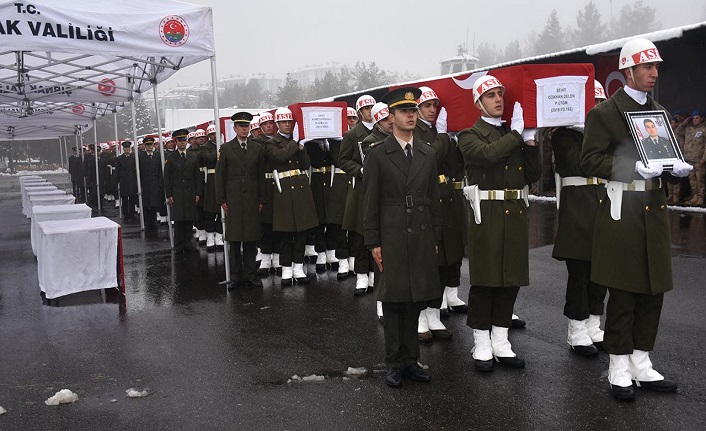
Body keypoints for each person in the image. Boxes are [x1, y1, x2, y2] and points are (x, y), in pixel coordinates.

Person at [580, 38, 692, 401]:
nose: (654, 73)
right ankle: (617, 365)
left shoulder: (658, 111)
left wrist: (677, 171)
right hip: (622, 212)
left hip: (653, 212)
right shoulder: (605, 113)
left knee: (652, 291)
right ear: (628, 70)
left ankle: (641, 362)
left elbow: (663, 161)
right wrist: (631, 167)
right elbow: (590, 160)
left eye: (656, 67)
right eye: (647, 67)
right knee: (625, 292)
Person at [457, 75, 541, 373]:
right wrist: (517, 135)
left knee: (510, 278)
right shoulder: (469, 135)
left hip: (514, 210)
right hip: (488, 213)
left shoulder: (513, 133)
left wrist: (530, 141)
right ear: (478, 102)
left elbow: (533, 173)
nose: (497, 99)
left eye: (500, 94)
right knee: (485, 280)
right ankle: (481, 341)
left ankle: (501, 340)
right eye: (490, 95)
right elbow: (488, 155)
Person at [363, 86, 442, 388]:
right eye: (404, 111)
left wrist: (434, 235)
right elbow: (369, 201)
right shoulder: (379, 154)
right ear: (391, 117)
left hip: (420, 232)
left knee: (414, 299)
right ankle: (394, 362)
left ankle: (411, 360)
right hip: (392, 231)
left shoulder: (427, 151)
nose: (411, 115)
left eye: (413, 110)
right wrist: (373, 242)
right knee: (394, 300)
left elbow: (433, 198)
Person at [550, 80, 609, 357]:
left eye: (600, 103)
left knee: (601, 270)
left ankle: (594, 323)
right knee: (580, 272)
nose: (597, 108)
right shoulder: (564, 135)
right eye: (593, 102)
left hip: (603, 203)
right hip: (578, 208)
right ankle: (576, 328)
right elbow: (579, 164)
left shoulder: (603, 135)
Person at [413, 86, 462, 342]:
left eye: (435, 105)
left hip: (446, 197)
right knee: (427, 263)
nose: (432, 110)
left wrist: (454, 139)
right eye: (427, 105)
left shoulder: (435, 131)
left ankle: (434, 313)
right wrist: (443, 136)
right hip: (428, 198)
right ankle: (420, 315)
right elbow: (429, 156)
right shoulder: (415, 131)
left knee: (445, 260)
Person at [263, 108, 318, 286]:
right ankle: (286, 269)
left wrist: (302, 148)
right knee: (286, 232)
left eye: (290, 122)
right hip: (284, 190)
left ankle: (298, 268)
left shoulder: (297, 142)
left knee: (302, 231)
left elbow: (306, 163)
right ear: (277, 124)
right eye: (284, 122)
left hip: (301, 188)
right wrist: (296, 143)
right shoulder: (272, 143)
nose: (288, 125)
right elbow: (279, 157)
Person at [216, 112, 266, 288]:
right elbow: (220, 176)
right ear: (235, 128)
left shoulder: (257, 148)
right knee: (235, 239)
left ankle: (251, 275)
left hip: (252, 198)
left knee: (251, 239)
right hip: (234, 199)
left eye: (247, 126)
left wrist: (262, 199)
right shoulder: (227, 149)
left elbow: (260, 175)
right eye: (241, 126)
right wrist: (221, 199)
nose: (245, 129)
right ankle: (236, 277)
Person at [340, 95, 376, 297]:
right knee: (360, 232)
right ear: (360, 112)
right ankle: (362, 274)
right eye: (366, 108)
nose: (370, 111)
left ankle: (374, 272)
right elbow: (343, 160)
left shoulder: (385, 131)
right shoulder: (353, 134)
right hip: (361, 187)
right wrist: (360, 171)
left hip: (381, 187)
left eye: (372, 107)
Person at [164, 129, 202, 254]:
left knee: (189, 219)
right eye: (180, 141)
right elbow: (167, 178)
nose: (183, 143)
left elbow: (197, 176)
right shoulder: (171, 158)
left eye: (184, 140)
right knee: (179, 220)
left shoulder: (193, 156)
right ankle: (179, 245)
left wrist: (198, 193)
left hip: (190, 192)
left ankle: (188, 243)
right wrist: (169, 194)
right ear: (175, 142)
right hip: (177, 192)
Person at [255, 112, 282, 276]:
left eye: (271, 123)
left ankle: (278, 258)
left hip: (278, 183)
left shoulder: (279, 141)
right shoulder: (256, 142)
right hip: (264, 184)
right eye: (265, 124)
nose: (269, 126)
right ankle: (265, 257)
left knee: (278, 223)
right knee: (265, 223)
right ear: (260, 127)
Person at [200, 124, 224, 250]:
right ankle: (210, 237)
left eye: (216, 133)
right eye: (212, 134)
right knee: (210, 211)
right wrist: (219, 150)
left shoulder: (225, 144)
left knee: (221, 210)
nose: (215, 136)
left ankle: (219, 236)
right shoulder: (205, 147)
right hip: (210, 181)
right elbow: (208, 159)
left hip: (222, 178)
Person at [675, 110, 706, 205]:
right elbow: (678, 132)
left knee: (700, 180)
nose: (695, 120)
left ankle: (701, 197)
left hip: (699, 159)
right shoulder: (689, 128)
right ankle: (695, 195)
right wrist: (684, 124)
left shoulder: (704, 129)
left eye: (697, 118)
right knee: (692, 180)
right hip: (689, 158)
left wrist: (704, 159)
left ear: (702, 118)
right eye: (693, 118)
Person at [139, 137, 165, 229]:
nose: (149, 147)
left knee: (154, 203)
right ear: (145, 146)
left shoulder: (158, 155)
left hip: (155, 183)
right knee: (146, 204)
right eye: (147, 145)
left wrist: (160, 184)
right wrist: (140, 184)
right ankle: (147, 222)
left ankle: (153, 222)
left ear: (153, 145)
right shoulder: (141, 156)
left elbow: (160, 171)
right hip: (145, 183)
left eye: (151, 145)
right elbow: (139, 171)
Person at [190, 129, 207, 245]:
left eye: (203, 137)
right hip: (197, 179)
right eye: (198, 137)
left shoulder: (208, 148)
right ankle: (200, 230)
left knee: (207, 208)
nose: (201, 139)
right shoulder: (190, 152)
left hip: (208, 180)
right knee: (198, 207)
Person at [115, 141, 138, 221]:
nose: (127, 149)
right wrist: (118, 180)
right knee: (124, 197)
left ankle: (132, 213)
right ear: (123, 149)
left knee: (132, 197)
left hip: (132, 179)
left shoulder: (134, 157)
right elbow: (117, 170)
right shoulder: (120, 158)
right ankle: (125, 213)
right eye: (125, 148)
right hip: (124, 180)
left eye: (128, 148)